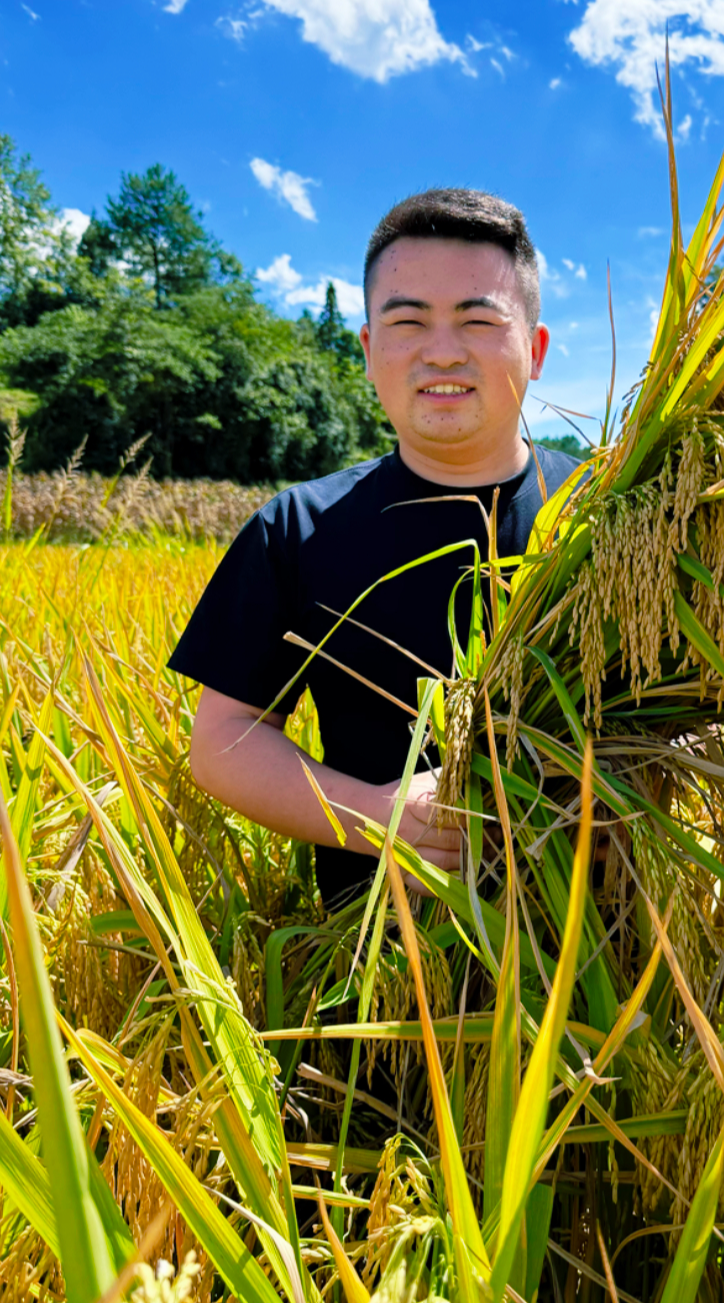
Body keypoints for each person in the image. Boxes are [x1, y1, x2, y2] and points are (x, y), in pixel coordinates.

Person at [168, 189, 582, 909]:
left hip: (607, 953)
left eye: (479, 320)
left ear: (535, 349)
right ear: (368, 350)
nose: (442, 351)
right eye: (408, 321)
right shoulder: (297, 528)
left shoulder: (605, 510)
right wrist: (374, 818)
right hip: (377, 972)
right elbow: (224, 741)